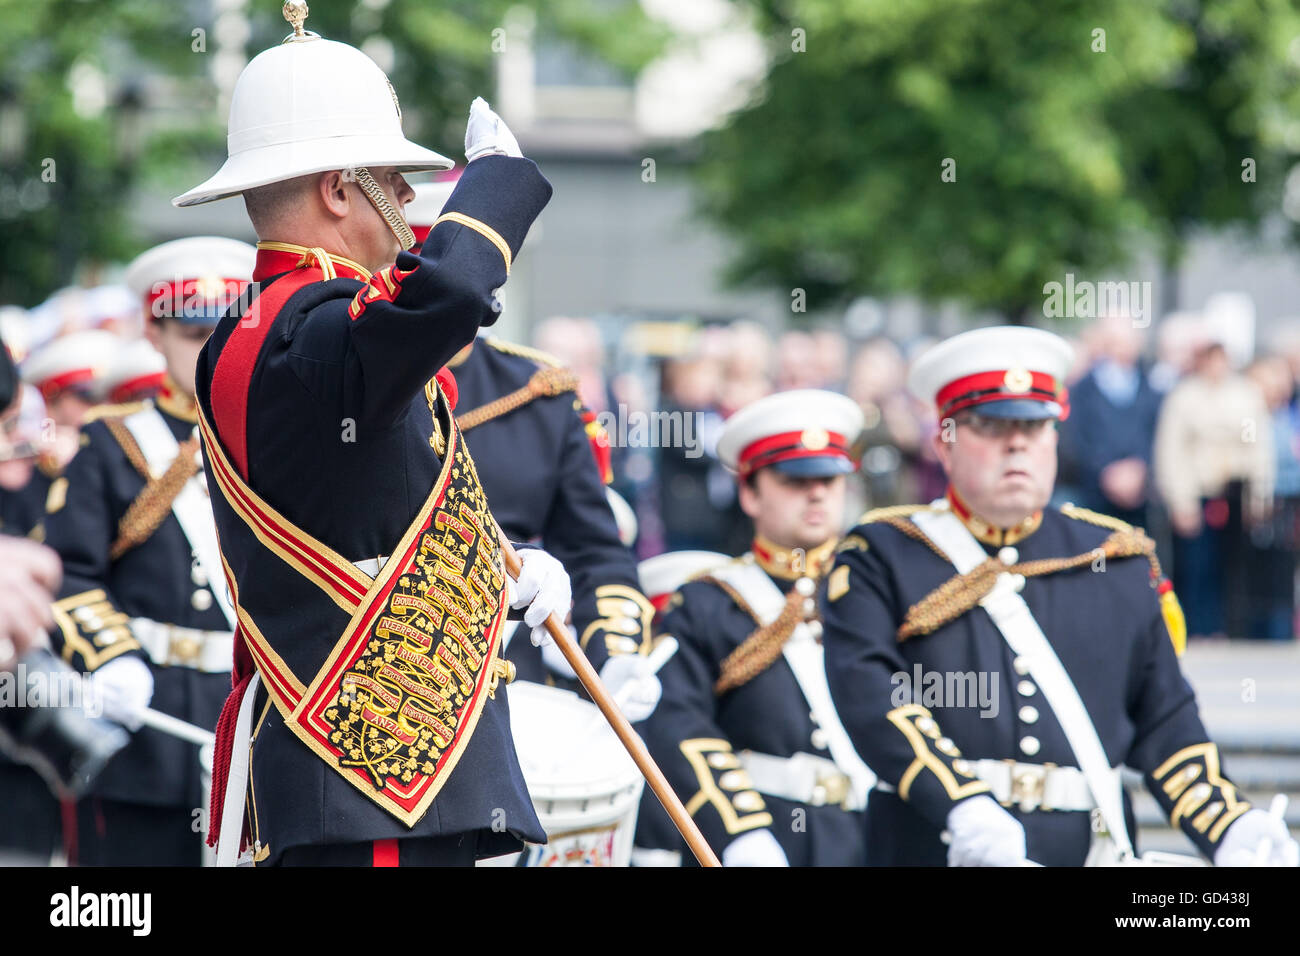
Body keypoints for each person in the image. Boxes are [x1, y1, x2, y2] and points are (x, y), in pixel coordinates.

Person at [177, 4, 569, 866]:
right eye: (394, 180)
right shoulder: (309, 331)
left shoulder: (263, 327)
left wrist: (493, 574)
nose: (407, 200)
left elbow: (366, 512)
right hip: (376, 786)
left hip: (379, 775)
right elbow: (451, 300)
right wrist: (497, 185)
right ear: (338, 188)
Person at [822, 325, 1298, 867]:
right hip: (939, 845)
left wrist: (1230, 824)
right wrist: (962, 806)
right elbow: (872, 696)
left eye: (1034, 424)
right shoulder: (882, 554)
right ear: (944, 442)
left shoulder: (1115, 559)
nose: (1017, 442)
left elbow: (1165, 719)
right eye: (991, 425)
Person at [404, 180, 660, 712]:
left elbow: (594, 548)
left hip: (519, 675)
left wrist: (611, 654)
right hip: (391, 674)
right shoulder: (358, 380)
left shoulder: (539, 393)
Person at [40, 236, 256, 865]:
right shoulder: (110, 444)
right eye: (194, 334)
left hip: (251, 712)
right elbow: (66, 572)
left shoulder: (278, 436)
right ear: (154, 332)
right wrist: (110, 657)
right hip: (145, 715)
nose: (212, 348)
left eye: (226, 329)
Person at [643, 389, 875, 866]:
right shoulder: (708, 602)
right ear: (749, 492)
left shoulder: (874, 592)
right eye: (795, 479)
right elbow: (678, 722)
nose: (816, 492)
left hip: (870, 833)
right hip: (763, 833)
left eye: (830, 479)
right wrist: (739, 832)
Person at [1154, 340, 1274, 640]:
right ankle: (1197, 628)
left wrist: (1260, 496)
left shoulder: (1246, 395)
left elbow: (1260, 449)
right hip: (1198, 490)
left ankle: (1231, 627)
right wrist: (1179, 499)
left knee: (1234, 565)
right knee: (1197, 564)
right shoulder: (1184, 397)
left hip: (1236, 490)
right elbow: (1171, 451)